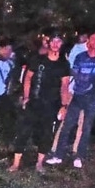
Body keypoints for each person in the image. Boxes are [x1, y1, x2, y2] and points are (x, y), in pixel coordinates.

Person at [46, 27, 95, 169]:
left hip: (92, 98)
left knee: (86, 127)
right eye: (92, 38)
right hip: (76, 95)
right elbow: (72, 75)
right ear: (88, 39)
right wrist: (69, 93)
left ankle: (79, 155)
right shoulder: (80, 56)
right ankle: (58, 155)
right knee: (67, 124)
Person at [9, 31, 70, 172]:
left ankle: (39, 163)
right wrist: (26, 97)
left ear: (61, 44)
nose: (55, 44)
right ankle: (16, 163)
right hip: (34, 101)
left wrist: (64, 105)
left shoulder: (63, 64)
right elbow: (28, 78)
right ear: (48, 43)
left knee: (46, 133)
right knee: (24, 131)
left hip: (51, 104)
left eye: (58, 41)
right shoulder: (38, 59)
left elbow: (65, 85)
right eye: (53, 41)